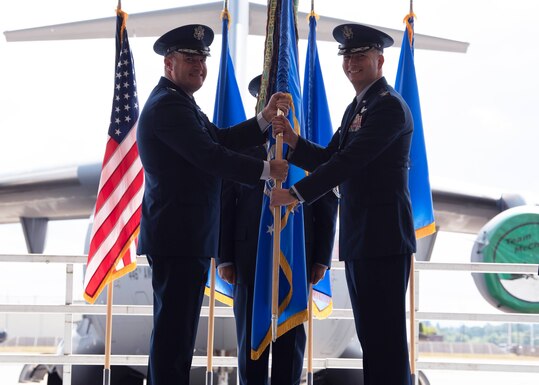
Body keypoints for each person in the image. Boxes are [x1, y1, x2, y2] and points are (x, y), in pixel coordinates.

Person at [136, 24, 290, 385]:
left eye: (202, 60)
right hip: (178, 237)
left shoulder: (179, 103)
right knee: (174, 334)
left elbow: (219, 138)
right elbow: (210, 155)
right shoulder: (167, 108)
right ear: (168, 64)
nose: (199, 67)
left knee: (178, 332)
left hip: (185, 237)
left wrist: (264, 119)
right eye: (190, 59)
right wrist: (267, 169)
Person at [270, 23, 417, 385]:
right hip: (361, 239)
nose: (352, 62)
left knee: (386, 339)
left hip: (383, 240)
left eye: (360, 55)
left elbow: (349, 163)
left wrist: (296, 194)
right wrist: (293, 141)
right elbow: (332, 155)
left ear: (380, 60)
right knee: (372, 337)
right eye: (347, 57)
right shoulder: (358, 107)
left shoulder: (388, 108)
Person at [217, 75, 338, 385]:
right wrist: (225, 258)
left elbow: (326, 199)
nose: (279, 115)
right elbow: (225, 201)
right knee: (251, 338)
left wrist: (321, 257)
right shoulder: (242, 147)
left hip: (297, 255)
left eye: (286, 107)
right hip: (249, 257)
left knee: (291, 340)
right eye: (273, 107)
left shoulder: (306, 148)